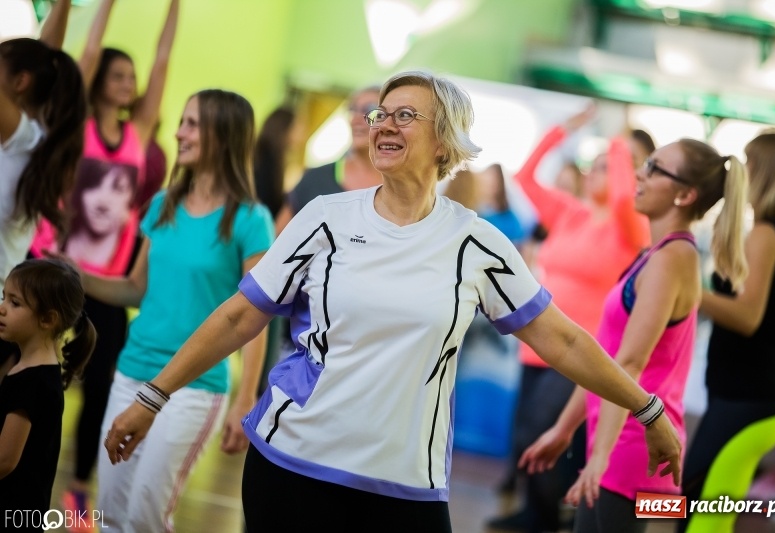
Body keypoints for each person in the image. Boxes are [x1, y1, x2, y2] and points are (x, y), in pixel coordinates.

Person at [102, 70, 681, 533]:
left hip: (405, 482)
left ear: (444, 140)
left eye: (406, 115)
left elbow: (563, 338)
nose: (383, 123)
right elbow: (239, 314)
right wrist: (154, 396)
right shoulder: (325, 218)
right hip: (293, 462)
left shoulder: (475, 242)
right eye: (381, 112)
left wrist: (648, 409)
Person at [520, 138, 748, 533]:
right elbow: (604, 358)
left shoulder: (674, 258)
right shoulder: (655, 254)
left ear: (686, 194)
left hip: (631, 454)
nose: (640, 175)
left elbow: (629, 363)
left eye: (655, 169)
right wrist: (565, 428)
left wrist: (601, 458)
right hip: (620, 444)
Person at [70, 89, 272, 533]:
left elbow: (256, 316)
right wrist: (74, 273)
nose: (179, 132)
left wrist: (247, 395)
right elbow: (135, 288)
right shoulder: (162, 204)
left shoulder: (251, 219)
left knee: (145, 514)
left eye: (192, 123)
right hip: (131, 371)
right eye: (182, 121)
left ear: (224, 134)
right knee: (113, 512)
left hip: (194, 388)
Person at [24, 0, 179, 521]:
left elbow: (162, 63)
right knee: (26, 375)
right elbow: (85, 52)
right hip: (51, 271)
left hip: (107, 285)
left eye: (131, 77)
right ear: (98, 83)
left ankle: (80, 486)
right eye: (119, 74)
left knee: (102, 386)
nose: (130, 82)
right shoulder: (75, 126)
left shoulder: (138, 134)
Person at [488, 106, 653, 533]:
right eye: (594, 165)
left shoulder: (628, 226)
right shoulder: (571, 214)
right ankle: (537, 515)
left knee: (541, 433)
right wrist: (563, 130)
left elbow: (622, 197)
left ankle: (548, 519)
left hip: (581, 348)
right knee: (525, 436)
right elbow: (524, 177)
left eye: (609, 167)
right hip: (536, 344)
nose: (599, 172)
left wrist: (618, 141)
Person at [679, 131, 775, 533]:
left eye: (748, 164)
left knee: (693, 511)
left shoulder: (768, 234)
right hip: (752, 399)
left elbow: (748, 318)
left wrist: (686, 287)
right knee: (711, 514)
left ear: (768, 174)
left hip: (745, 400)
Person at [0, 0, 86, 378]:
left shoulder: (26, 140)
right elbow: (42, 60)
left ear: (20, 84)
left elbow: (38, 64)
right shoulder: (32, 140)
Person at [0, 258, 97, 529]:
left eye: (15, 303)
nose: (2, 309)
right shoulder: (35, 370)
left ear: (48, 319)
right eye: (4, 298)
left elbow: (5, 460)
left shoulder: (32, 382)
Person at [273, 85, 382, 234]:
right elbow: (277, 239)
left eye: (370, 110)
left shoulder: (398, 189)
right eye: (352, 109)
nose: (356, 118)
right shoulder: (316, 178)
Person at [63, 160, 138, 272]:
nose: (103, 202)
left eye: (118, 188)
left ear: (131, 195)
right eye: (93, 185)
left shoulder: (130, 224)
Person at [253, 106, 298, 218]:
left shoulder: (268, 154)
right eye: (297, 128)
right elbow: (267, 201)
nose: (301, 135)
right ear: (285, 128)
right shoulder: (266, 157)